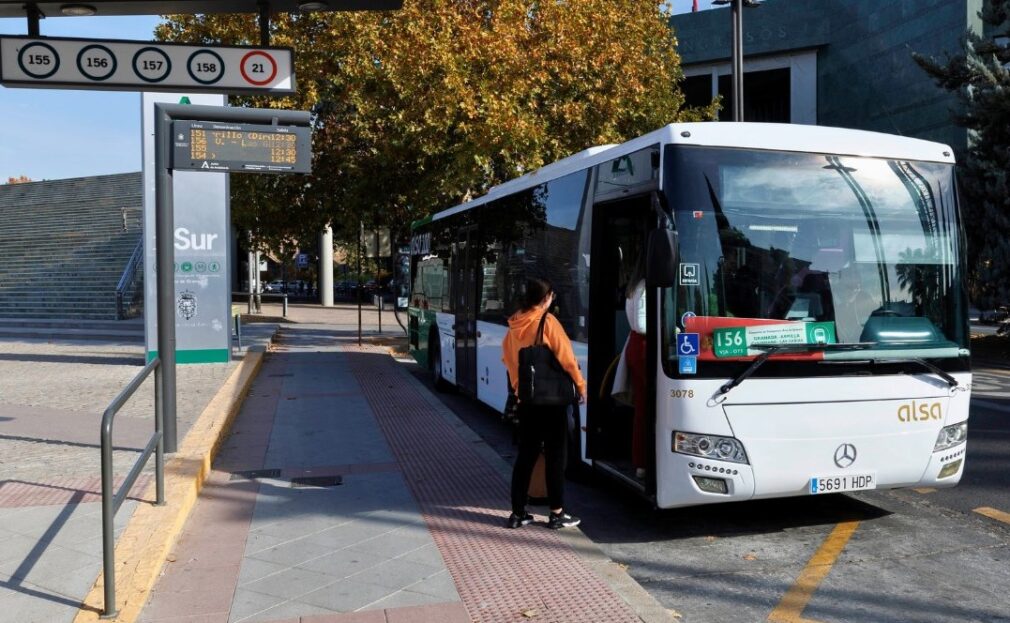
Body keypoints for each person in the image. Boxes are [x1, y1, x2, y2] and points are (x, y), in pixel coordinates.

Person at [502, 278, 587, 529]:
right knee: (555, 455)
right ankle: (557, 513)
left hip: (527, 400)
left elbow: (507, 360)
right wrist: (581, 386)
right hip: (551, 400)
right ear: (546, 297)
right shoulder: (547, 322)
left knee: (525, 456)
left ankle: (518, 513)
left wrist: (519, 389)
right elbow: (567, 358)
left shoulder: (514, 324)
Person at [621, 254, 648, 480]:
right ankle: (645, 460)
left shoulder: (634, 286)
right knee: (648, 408)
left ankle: (641, 461)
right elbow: (641, 324)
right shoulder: (646, 286)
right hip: (644, 348)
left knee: (643, 408)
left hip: (636, 347)